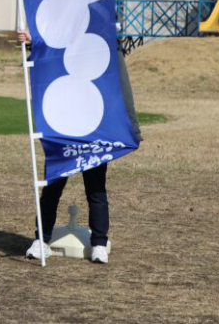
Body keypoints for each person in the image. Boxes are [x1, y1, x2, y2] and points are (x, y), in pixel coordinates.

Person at [17, 29, 142, 264]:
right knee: (52, 185)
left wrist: (131, 127)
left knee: (96, 188)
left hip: (94, 127)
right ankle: (41, 239)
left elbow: (119, 84)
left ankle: (99, 243)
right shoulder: (64, 39)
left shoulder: (102, 44)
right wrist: (34, 41)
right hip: (63, 126)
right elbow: (52, 49)